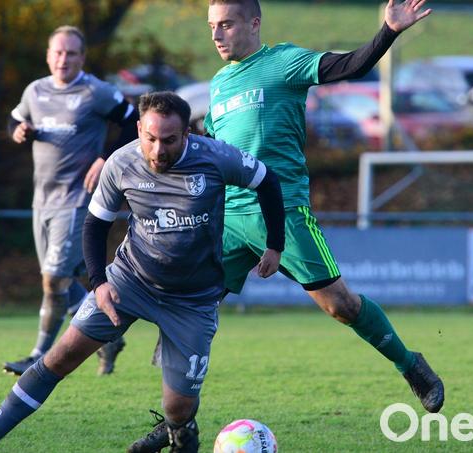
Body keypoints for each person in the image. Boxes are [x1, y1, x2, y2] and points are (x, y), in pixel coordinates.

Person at [135, 1, 444, 449]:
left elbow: (349, 66)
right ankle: (177, 422)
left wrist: (388, 32)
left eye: (226, 24)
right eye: (211, 27)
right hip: (228, 218)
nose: (217, 35)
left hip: (283, 210)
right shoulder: (219, 85)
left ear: (254, 23)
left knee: (340, 305)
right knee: (188, 310)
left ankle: (409, 364)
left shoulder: (284, 62)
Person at [0, 91, 286, 453]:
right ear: (138, 129)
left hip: (192, 299)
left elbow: (267, 181)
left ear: (188, 134)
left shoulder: (215, 158)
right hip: (130, 281)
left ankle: (179, 430)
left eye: (169, 140)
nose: (157, 150)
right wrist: (99, 283)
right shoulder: (121, 163)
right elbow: (95, 225)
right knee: (59, 357)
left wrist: (275, 244)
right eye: (150, 138)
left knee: (177, 406)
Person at [3, 25, 139, 376]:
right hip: (42, 200)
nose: (64, 59)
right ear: (49, 56)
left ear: (82, 57)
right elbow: (15, 119)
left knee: (53, 280)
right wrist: (17, 131)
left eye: (71, 53)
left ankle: (38, 355)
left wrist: (105, 157)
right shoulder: (36, 91)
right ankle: (109, 337)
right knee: (67, 278)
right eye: (58, 52)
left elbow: (131, 121)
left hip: (77, 199)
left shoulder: (95, 91)